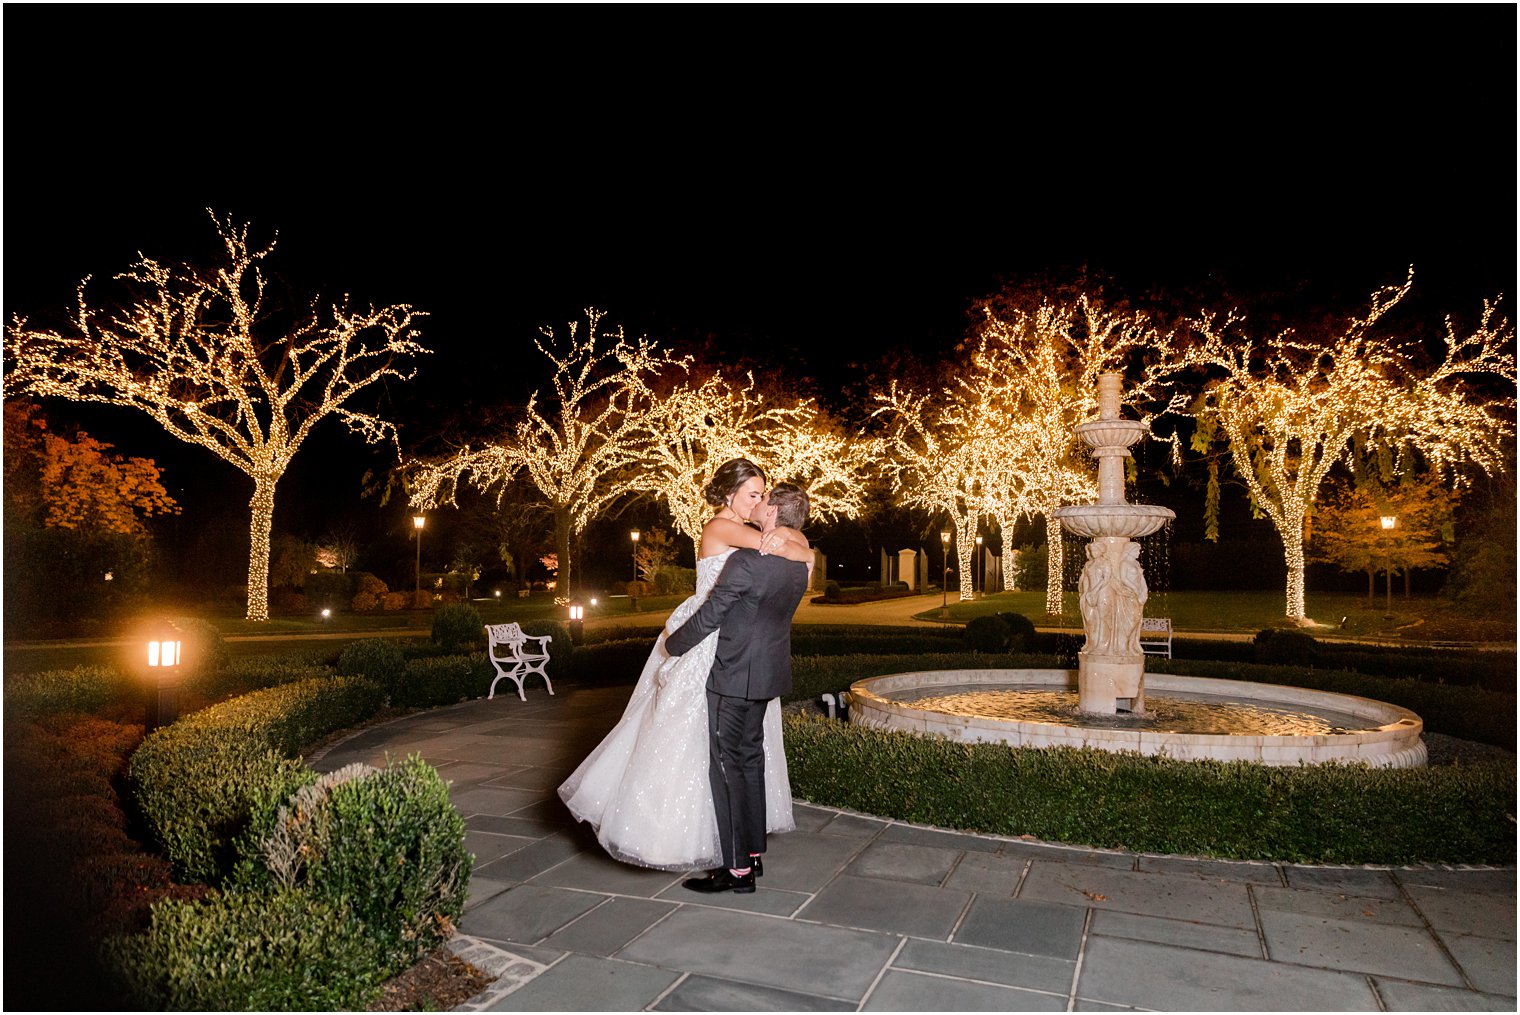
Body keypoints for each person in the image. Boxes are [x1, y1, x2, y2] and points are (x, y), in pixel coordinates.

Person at [557, 459, 812, 871]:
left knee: (726, 746)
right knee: (689, 735)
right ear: (729, 494)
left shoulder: (749, 532)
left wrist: (797, 545)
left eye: (763, 495)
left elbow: (794, 546)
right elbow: (787, 547)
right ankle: (681, 835)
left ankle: (733, 842)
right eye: (753, 494)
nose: (760, 502)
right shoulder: (721, 527)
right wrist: (795, 544)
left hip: (728, 636)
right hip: (705, 632)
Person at [666, 482, 811, 895]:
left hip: (731, 676)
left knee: (728, 768)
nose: (759, 505)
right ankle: (753, 855)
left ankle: (736, 871)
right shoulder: (798, 565)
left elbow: (711, 614)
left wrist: (672, 646)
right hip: (768, 675)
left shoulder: (748, 562)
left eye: (765, 501)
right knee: (751, 763)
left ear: (773, 514)